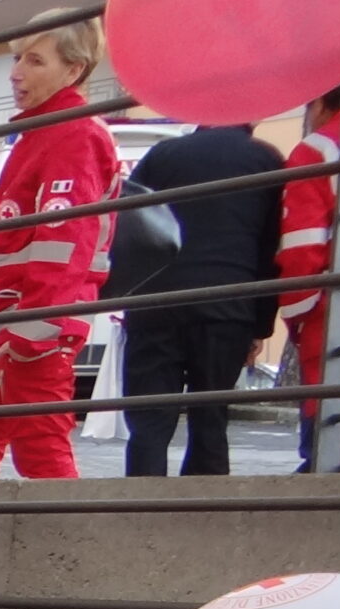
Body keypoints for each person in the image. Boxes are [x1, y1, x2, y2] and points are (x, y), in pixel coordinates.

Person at [0, 13, 121, 479]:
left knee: (37, 453)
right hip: (19, 327)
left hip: (35, 327)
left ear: (73, 69)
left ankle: (74, 551)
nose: (16, 71)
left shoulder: (74, 133)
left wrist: (34, 328)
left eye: (35, 59)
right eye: (17, 56)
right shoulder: (44, 133)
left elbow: (66, 239)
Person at [119, 122, 284, 476]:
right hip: (228, 303)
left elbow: (130, 223)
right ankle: (204, 516)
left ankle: (139, 514)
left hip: (155, 301)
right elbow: (271, 248)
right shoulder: (266, 160)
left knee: (149, 422)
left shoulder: (162, 154)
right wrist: (260, 325)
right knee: (210, 419)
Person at [276, 85, 340, 472]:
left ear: (319, 102)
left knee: (328, 460)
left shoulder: (317, 151)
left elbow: (302, 255)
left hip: (335, 329)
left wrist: (297, 318)